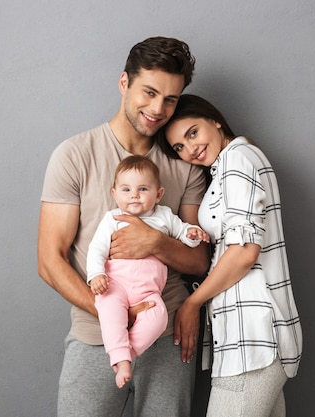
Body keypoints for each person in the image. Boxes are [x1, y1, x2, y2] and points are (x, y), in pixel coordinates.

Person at [38, 37, 210, 417]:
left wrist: (154, 243)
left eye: (170, 99)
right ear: (124, 83)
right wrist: (115, 314)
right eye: (149, 92)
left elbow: (199, 262)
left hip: (166, 336)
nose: (157, 109)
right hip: (95, 334)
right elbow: (50, 261)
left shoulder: (185, 163)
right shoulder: (75, 155)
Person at [156, 94, 303, 417]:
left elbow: (243, 252)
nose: (189, 149)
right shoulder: (229, 166)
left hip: (252, 338)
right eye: (179, 147)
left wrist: (192, 304)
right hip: (247, 337)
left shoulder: (238, 159)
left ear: (215, 120)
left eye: (192, 133)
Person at [87, 155, 210, 388]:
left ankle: (125, 355)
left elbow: (184, 232)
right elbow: (97, 249)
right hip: (116, 284)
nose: (134, 195)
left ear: (158, 194)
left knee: (159, 318)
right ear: (114, 194)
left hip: (149, 292)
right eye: (126, 189)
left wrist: (193, 235)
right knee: (108, 308)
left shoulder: (163, 216)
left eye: (143, 189)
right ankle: (120, 356)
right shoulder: (112, 218)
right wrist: (96, 275)